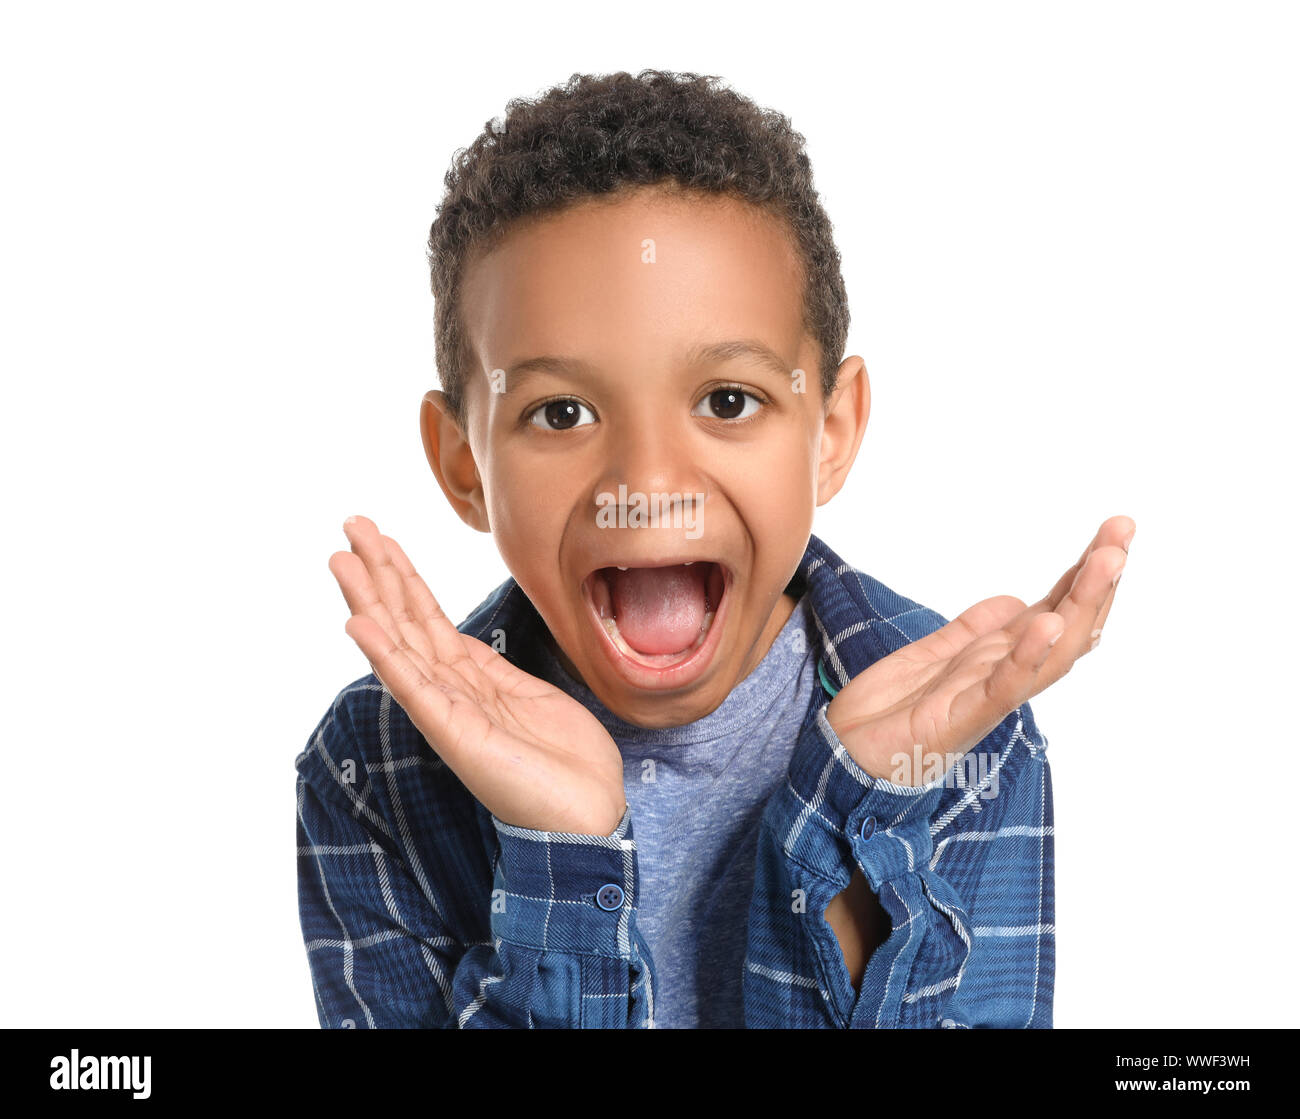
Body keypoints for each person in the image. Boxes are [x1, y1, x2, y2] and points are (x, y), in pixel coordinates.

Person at [295, 69, 1133, 1029]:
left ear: (831, 429)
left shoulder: (967, 739)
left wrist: (853, 824)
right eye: (560, 412)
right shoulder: (372, 770)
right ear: (464, 466)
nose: (648, 480)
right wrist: (563, 860)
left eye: (728, 400)